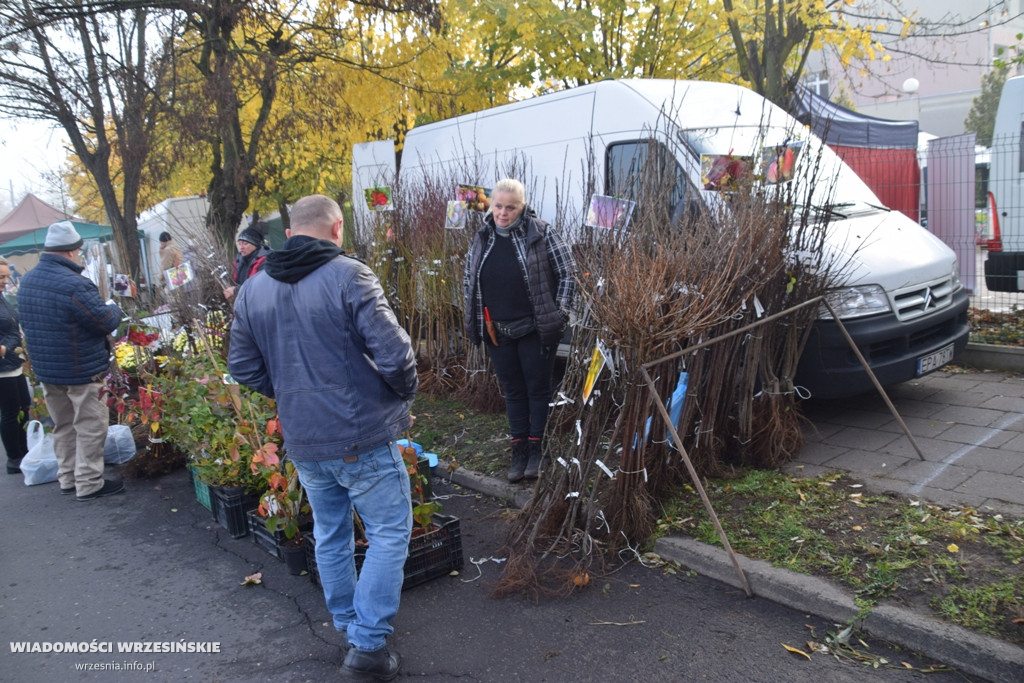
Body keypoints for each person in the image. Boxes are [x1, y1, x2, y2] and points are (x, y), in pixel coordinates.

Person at [228, 194, 417, 681]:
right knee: (389, 532)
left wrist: (292, 392)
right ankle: (368, 647)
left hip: (305, 437)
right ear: (337, 230)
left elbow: (243, 367)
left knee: (330, 533)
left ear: (289, 235)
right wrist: (399, 396)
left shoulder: (253, 288)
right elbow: (395, 356)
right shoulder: (349, 275)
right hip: (360, 433)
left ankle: (351, 626)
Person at [463, 178, 576, 482]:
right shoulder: (483, 236)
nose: (502, 213)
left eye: (510, 208)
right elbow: (469, 280)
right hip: (497, 330)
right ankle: (519, 451)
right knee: (513, 392)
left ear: (522, 207)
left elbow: (568, 273)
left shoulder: (540, 232)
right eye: (498, 206)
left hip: (535, 328)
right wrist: (475, 322)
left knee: (537, 390)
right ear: (491, 204)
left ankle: (537, 451)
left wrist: (559, 314)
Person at [17, 221, 124, 500]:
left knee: (63, 425)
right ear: (68, 253)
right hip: (81, 369)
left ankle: (67, 477)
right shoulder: (74, 284)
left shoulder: (27, 281)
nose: (78, 255)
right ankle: (88, 482)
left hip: (48, 370)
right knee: (90, 425)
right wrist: (115, 309)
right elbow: (101, 322)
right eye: (77, 251)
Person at [0, 257, 30, 474]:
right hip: (3, 366)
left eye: (6, 276)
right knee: (11, 412)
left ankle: (23, 451)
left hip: (13, 361)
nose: (5, 280)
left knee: (24, 406)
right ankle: (14, 457)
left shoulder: (2, 298)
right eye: (1, 277)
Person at [222, 223, 269, 299]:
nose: (241, 247)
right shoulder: (239, 261)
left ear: (256, 244)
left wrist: (236, 290)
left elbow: (261, 286)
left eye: (245, 243)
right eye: (240, 244)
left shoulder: (266, 261)